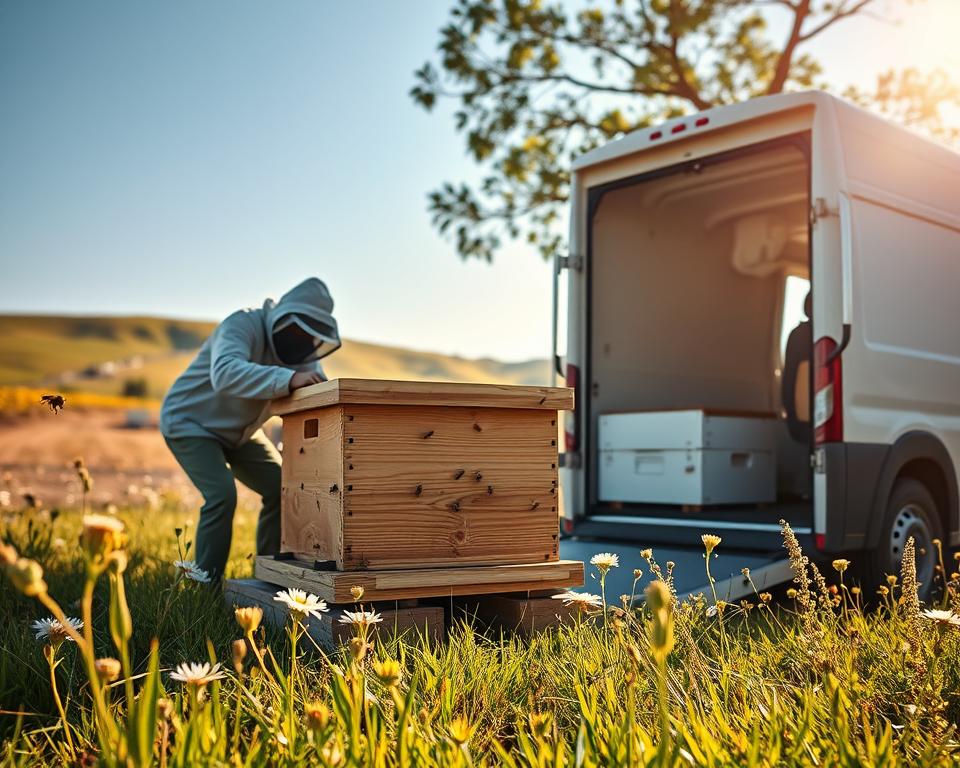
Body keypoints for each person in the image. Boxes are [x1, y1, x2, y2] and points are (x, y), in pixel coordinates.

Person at [160, 278, 341, 580]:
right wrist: (288, 379)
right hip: (189, 422)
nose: (301, 341)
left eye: (309, 336)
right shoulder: (242, 324)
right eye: (298, 331)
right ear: (282, 316)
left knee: (283, 489)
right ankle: (205, 586)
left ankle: (268, 576)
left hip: (242, 434)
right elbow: (224, 372)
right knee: (221, 495)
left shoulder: (303, 355)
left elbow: (317, 395)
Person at [781, 291, 812, 443]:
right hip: (810, 419)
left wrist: (789, 410)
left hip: (798, 419)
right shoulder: (820, 333)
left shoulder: (797, 334)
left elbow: (788, 379)